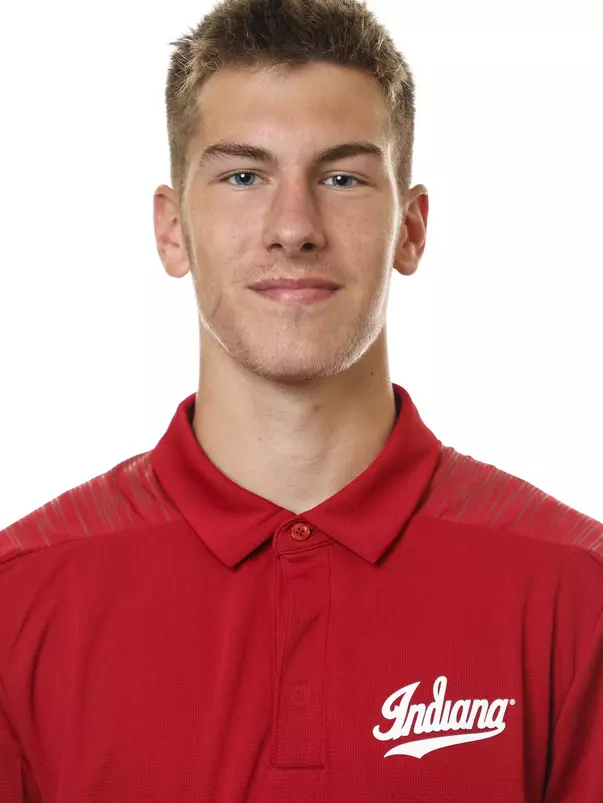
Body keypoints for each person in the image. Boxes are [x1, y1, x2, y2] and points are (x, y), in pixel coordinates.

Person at [1, 0, 602, 800]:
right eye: (244, 176)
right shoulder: (22, 601)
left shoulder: (573, 590)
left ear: (410, 229)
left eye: (342, 177)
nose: (293, 227)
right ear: (172, 229)